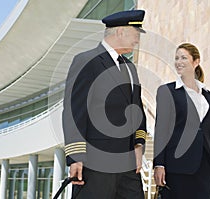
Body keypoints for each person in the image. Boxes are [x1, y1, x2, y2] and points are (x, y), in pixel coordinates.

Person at [62, 10, 148, 199]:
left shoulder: (130, 67)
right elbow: (74, 111)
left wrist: (139, 144)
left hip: (127, 165)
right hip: (95, 163)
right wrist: (76, 157)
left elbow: (137, 109)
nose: (137, 41)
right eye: (135, 34)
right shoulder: (86, 61)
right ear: (120, 32)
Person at [153, 43, 210, 198]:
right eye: (177, 58)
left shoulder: (208, 96)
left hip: (205, 167)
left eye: (184, 58)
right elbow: (161, 129)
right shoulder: (167, 91)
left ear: (196, 61)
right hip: (177, 165)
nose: (179, 62)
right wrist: (159, 164)